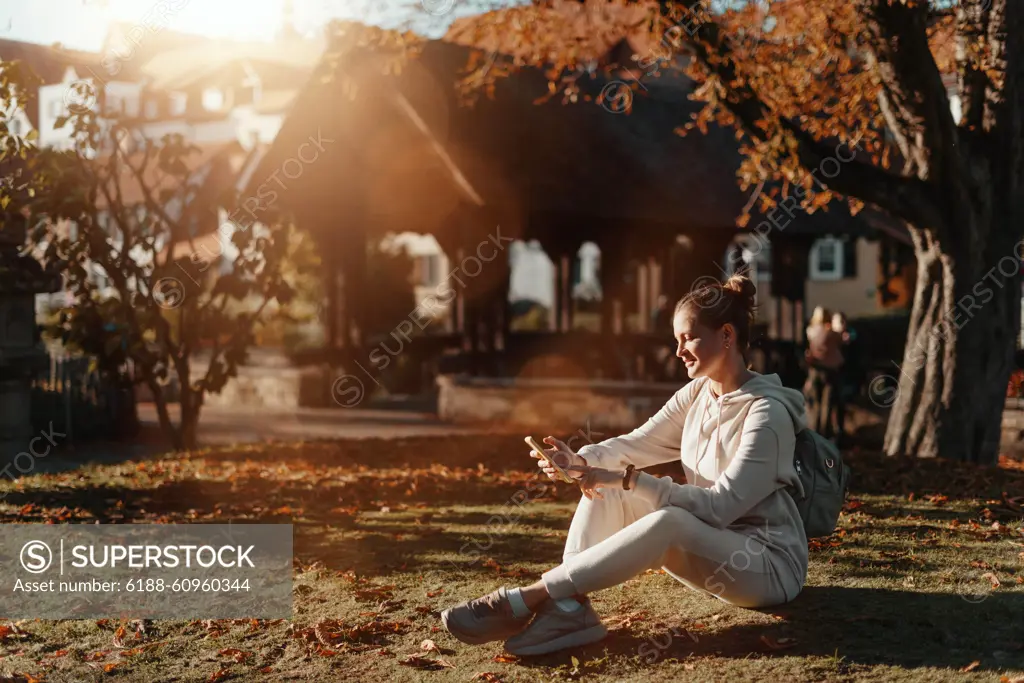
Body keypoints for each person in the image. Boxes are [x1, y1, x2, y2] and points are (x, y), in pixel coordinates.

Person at [440, 274, 808, 656]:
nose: (678, 351)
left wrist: (628, 479)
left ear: (727, 335)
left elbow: (720, 508)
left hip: (766, 567)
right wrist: (582, 462)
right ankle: (569, 608)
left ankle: (527, 598)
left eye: (688, 338)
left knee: (665, 517)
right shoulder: (699, 393)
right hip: (710, 550)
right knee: (607, 492)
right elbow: (638, 443)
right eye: (676, 340)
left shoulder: (767, 414)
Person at [803, 307, 844, 442]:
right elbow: (842, 339)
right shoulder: (831, 333)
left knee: (815, 403)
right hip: (830, 371)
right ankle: (825, 433)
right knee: (827, 403)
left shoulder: (810, 331)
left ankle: (814, 431)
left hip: (815, 370)